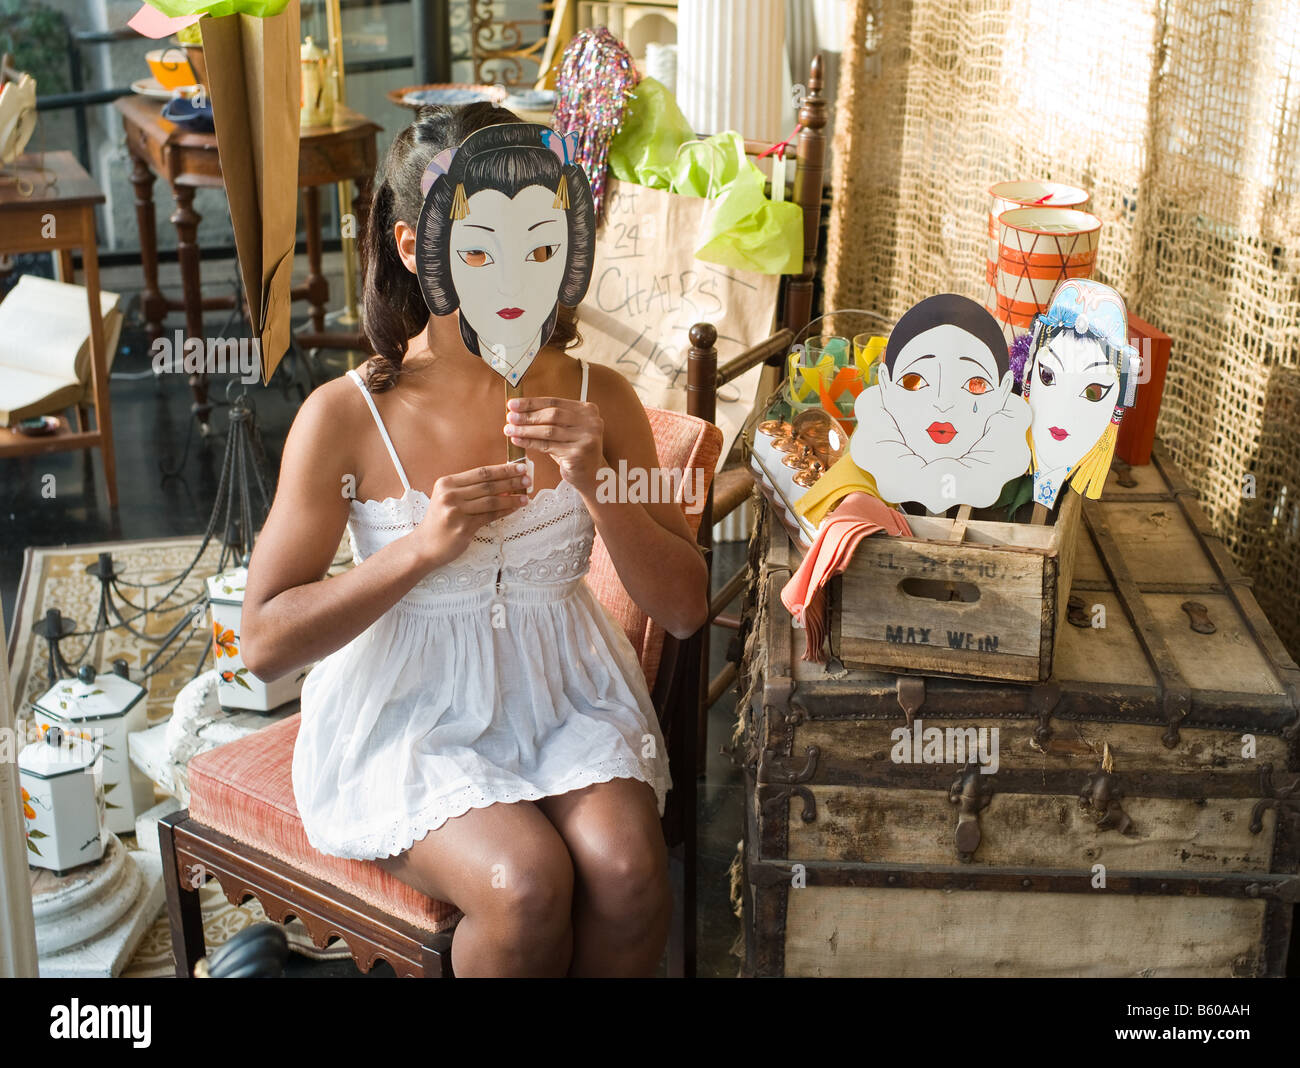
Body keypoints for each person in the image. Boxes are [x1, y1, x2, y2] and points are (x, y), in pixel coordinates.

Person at [238, 103, 709, 977]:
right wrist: (420, 548)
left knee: (630, 870)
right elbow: (263, 643)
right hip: (408, 715)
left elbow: (683, 609)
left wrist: (600, 484)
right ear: (418, 252)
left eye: (538, 246)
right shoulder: (347, 418)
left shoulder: (602, 397)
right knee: (526, 884)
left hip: (563, 696)